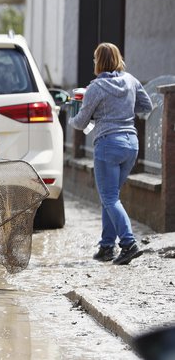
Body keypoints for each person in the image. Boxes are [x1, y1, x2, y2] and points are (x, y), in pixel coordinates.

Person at [69, 42, 153, 265]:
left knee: (109, 197)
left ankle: (128, 243)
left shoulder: (95, 88)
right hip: (131, 146)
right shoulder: (131, 80)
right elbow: (147, 106)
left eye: (95, 59)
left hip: (108, 145)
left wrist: (71, 111)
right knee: (111, 196)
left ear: (100, 61)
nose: (94, 62)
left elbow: (80, 123)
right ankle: (107, 246)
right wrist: (123, 110)